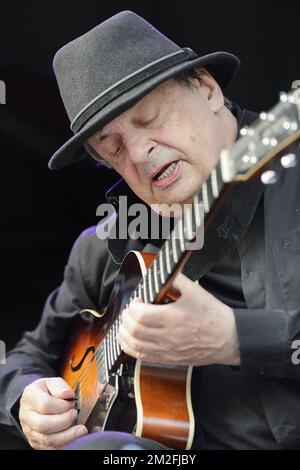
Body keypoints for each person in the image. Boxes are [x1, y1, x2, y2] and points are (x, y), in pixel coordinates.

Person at [1, 10, 300, 451]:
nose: (139, 153)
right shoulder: (108, 244)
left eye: (150, 118)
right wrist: (24, 398)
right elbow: (27, 354)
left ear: (207, 88)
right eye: (113, 146)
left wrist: (237, 340)